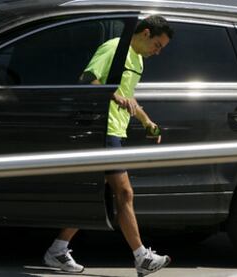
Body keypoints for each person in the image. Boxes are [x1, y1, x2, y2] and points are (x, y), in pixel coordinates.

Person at [43, 15, 174, 277]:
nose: (157, 52)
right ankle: (141, 257)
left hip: (115, 130)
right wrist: (115, 98)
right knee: (124, 193)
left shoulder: (137, 59)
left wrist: (146, 121)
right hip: (102, 129)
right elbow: (87, 80)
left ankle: (58, 249)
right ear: (145, 33)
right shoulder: (114, 48)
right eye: (157, 45)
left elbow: (128, 95)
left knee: (92, 196)